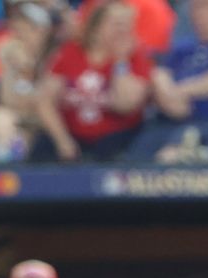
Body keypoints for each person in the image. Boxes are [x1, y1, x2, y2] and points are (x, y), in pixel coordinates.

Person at [127, 0, 208, 163]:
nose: (200, 13)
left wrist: (180, 91)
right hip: (178, 124)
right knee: (143, 147)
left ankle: (204, 154)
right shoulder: (180, 50)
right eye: (195, 7)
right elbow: (169, 97)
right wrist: (163, 85)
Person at [33, 0, 151, 161]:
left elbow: (125, 105)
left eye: (127, 25)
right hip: (71, 135)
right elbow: (44, 101)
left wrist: (120, 62)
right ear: (97, 27)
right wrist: (63, 140)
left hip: (118, 139)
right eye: (117, 24)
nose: (123, 30)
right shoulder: (70, 53)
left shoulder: (135, 57)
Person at [0, 2, 52, 162]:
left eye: (28, 30)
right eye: (18, 31)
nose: (22, 36)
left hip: (47, 124)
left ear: (43, 31)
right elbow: (5, 101)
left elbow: (43, 105)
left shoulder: (55, 57)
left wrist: (27, 67)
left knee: (19, 133)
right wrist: (14, 69)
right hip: (19, 122)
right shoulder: (9, 54)